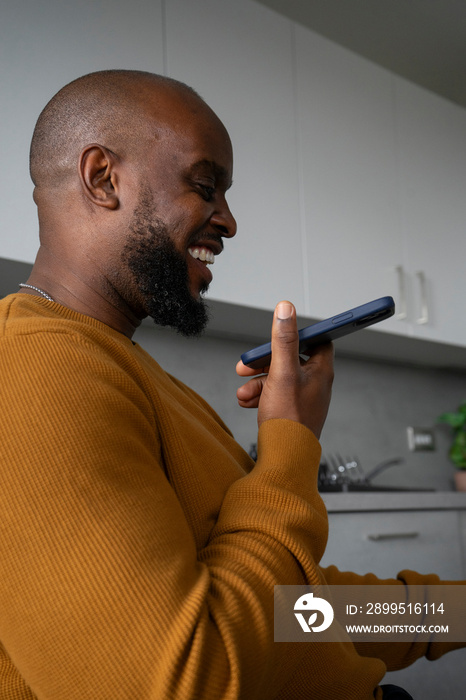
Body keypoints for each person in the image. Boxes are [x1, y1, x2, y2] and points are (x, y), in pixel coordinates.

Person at [0, 70, 463, 700]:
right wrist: (288, 442)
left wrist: (449, 612)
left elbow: (292, 614)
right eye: (205, 185)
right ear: (103, 178)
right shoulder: (31, 369)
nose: (230, 221)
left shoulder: (132, 376)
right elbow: (182, 681)